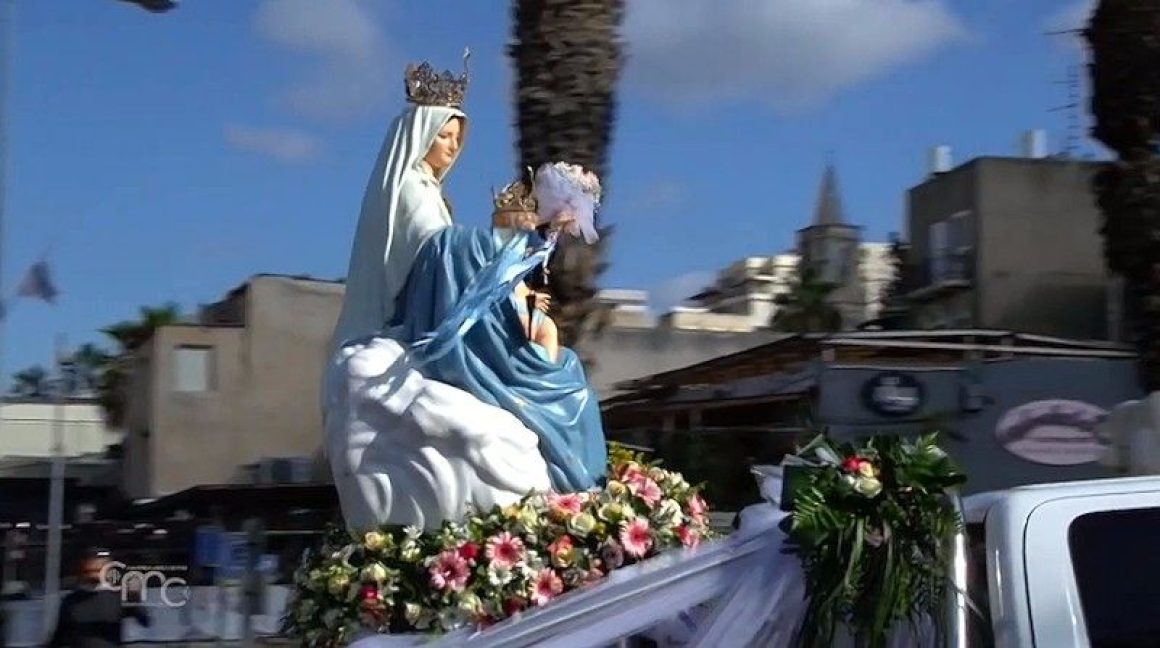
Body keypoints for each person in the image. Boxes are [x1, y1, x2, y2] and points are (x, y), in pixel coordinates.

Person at [323, 57, 607, 532]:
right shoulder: (409, 191)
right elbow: (440, 253)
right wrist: (523, 236)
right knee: (561, 378)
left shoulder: (431, 194)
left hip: (456, 306)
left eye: (458, 137)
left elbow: (457, 256)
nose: (452, 146)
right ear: (420, 135)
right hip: (433, 318)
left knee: (557, 357)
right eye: (443, 135)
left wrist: (532, 240)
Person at [46, 552, 150, 648]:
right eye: (90, 571)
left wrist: (135, 600)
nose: (94, 575)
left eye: (99, 571)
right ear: (83, 570)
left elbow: (145, 621)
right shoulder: (71, 601)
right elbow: (59, 637)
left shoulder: (117, 597)